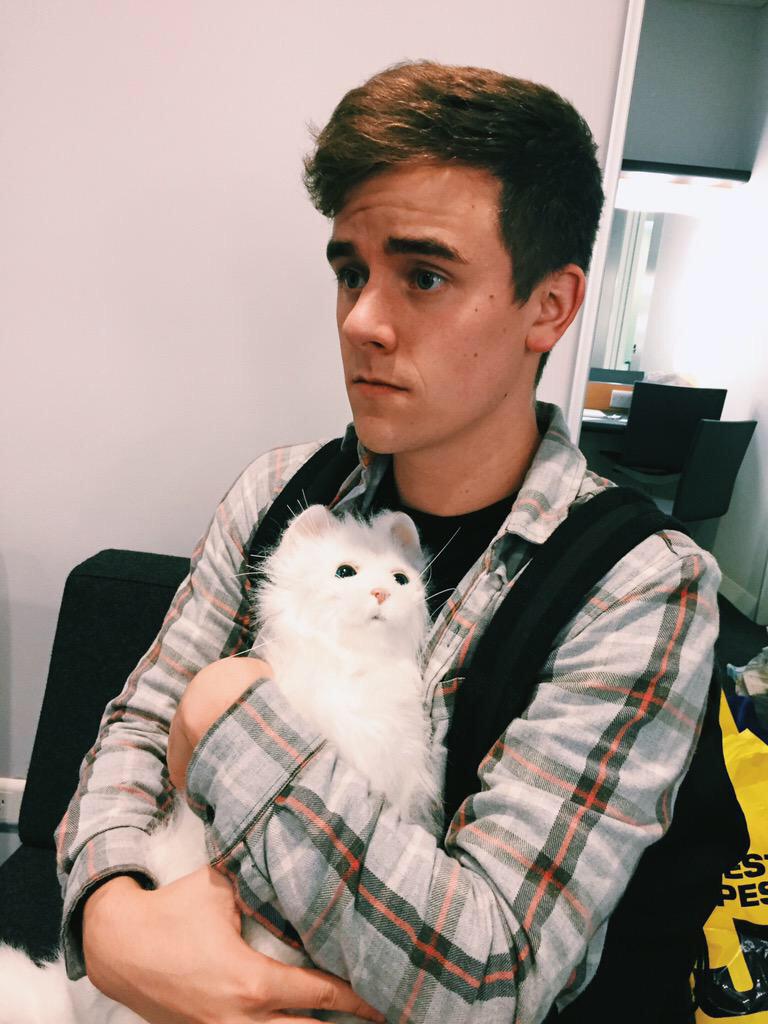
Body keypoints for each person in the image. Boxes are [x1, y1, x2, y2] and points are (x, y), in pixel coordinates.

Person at [56, 61, 719, 1023]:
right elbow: (132, 736)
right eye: (350, 273)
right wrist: (111, 920)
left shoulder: (642, 587)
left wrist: (227, 714)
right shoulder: (281, 494)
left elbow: (487, 978)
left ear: (550, 306)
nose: (362, 320)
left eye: (424, 275)